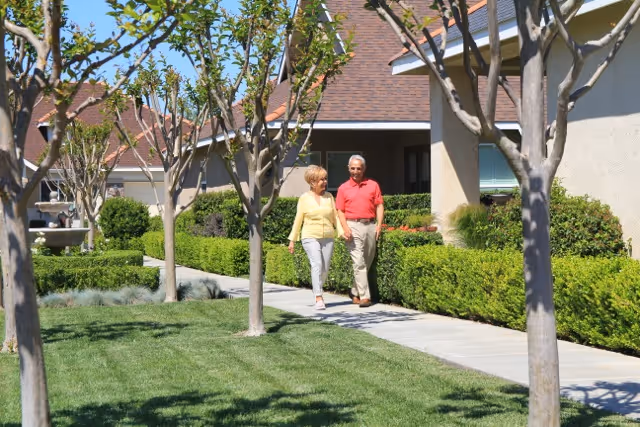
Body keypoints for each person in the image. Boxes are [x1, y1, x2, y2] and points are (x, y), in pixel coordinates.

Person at [288, 165, 343, 310]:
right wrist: (292, 240)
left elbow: (335, 217)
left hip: (328, 236)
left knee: (324, 269)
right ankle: (318, 297)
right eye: (321, 179)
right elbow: (298, 219)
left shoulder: (329, 197)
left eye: (325, 179)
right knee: (317, 264)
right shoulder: (304, 198)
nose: (325, 182)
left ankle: (318, 288)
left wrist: (341, 232)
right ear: (312, 182)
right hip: (310, 235)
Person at [336, 155, 384, 308]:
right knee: (358, 262)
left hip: (370, 225)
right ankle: (365, 297)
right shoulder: (343, 188)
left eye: (359, 168)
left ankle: (354, 291)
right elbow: (340, 211)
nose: (356, 171)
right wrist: (345, 228)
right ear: (348, 168)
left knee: (368, 259)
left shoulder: (373, 185)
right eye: (353, 168)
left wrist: (378, 225)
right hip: (352, 225)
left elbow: (379, 206)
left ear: (364, 169)